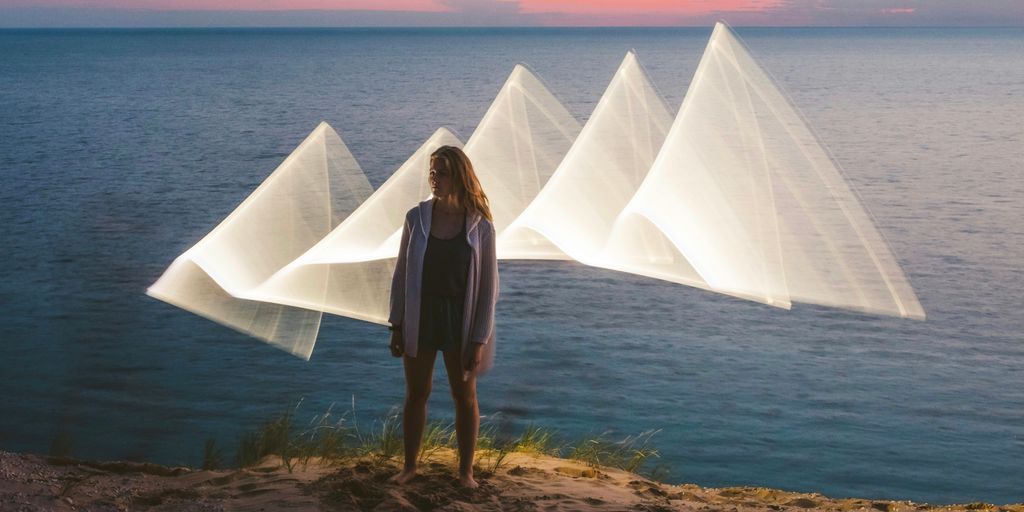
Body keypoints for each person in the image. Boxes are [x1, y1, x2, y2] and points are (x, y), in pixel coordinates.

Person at [387, 145, 499, 488]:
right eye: (432, 172)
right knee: (416, 393)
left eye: (443, 172)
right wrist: (396, 323)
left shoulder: (481, 227)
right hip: (420, 317)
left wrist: (479, 338)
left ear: (460, 177)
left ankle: (465, 472)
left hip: (460, 321)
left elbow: (488, 289)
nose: (435, 178)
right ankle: (410, 467)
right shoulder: (415, 218)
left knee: (464, 396)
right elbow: (402, 272)